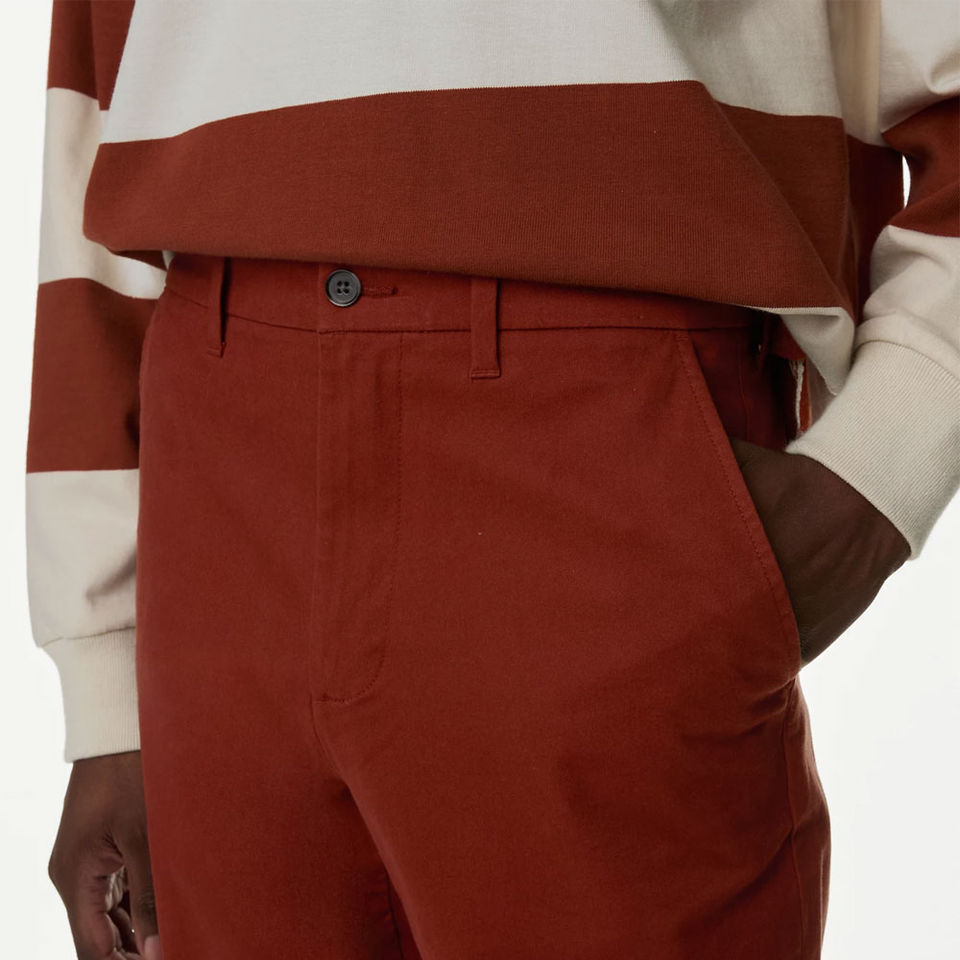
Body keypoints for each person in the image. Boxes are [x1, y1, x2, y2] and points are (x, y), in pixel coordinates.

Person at [25, 2, 957, 959]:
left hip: (602, 439)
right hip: (213, 482)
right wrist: (105, 683)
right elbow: (101, 96)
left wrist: (880, 463)